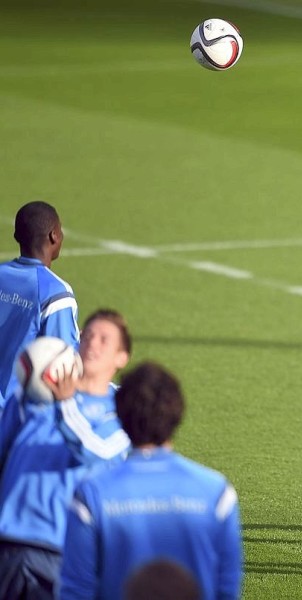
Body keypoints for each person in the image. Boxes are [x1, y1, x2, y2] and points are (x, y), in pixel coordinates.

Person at [60, 361, 243, 600]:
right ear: (178, 413)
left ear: (120, 416)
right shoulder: (218, 494)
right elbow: (227, 588)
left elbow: (76, 589)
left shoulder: (92, 495)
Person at [0, 308, 132, 599]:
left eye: (104, 340)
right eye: (89, 335)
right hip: (8, 540)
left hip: (62, 548)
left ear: (121, 357)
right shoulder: (34, 388)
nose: (92, 343)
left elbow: (94, 450)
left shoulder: (123, 409)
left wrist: (65, 402)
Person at [0, 200, 79, 411]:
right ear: (54, 235)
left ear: (17, 236)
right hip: (15, 415)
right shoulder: (56, 293)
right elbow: (63, 365)